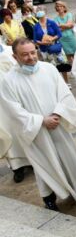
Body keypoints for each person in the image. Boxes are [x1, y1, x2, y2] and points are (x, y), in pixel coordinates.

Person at [0, 38, 76, 211]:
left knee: (69, 157)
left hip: (58, 124)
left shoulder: (49, 69)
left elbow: (64, 93)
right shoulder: (9, 81)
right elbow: (13, 110)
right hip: (35, 131)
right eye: (24, 55)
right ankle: (49, 197)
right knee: (44, 164)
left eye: (33, 52)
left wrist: (57, 113)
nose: (30, 57)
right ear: (14, 57)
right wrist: (41, 120)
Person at [0, 43, 32, 183]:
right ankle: (16, 168)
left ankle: (31, 161)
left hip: (14, 99)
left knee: (20, 129)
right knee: (5, 133)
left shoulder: (7, 50)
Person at [33, 6, 70, 84]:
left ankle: (66, 82)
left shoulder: (51, 22)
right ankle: (57, 83)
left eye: (41, 10)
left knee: (62, 65)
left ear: (45, 12)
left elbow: (59, 34)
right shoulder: (36, 26)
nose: (39, 11)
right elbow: (35, 39)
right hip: (44, 49)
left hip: (55, 47)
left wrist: (51, 39)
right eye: (37, 10)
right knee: (50, 68)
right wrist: (42, 43)